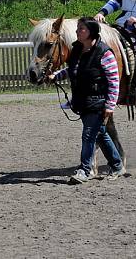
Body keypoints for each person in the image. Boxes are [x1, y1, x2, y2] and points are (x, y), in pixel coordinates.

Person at [49, 17, 125, 184]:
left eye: (81, 29)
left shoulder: (104, 53)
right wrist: (57, 75)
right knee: (100, 134)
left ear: (90, 32)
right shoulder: (77, 49)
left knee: (89, 135)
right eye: (78, 28)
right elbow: (74, 69)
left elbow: (113, 81)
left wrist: (110, 105)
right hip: (83, 100)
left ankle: (85, 170)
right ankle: (118, 165)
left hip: (98, 101)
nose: (77, 32)